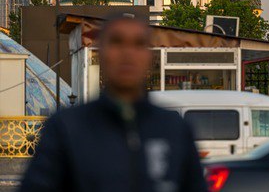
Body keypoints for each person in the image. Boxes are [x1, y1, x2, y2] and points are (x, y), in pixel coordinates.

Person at [21, 13, 208, 192]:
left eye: (138, 44)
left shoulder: (175, 130)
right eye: (117, 42)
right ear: (101, 53)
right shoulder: (67, 129)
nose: (127, 53)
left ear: (150, 56)